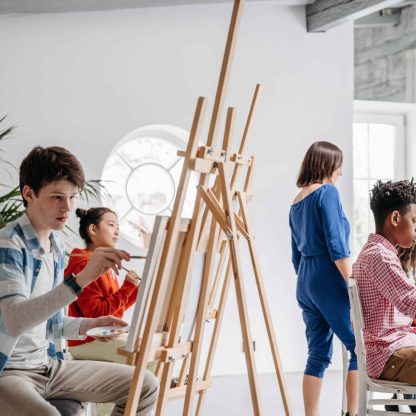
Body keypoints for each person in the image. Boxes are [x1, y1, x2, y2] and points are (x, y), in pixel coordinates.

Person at [0, 146, 158, 415]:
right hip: (10, 372)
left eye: (72, 197)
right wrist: (81, 279)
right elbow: (14, 320)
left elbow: (52, 324)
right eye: (57, 197)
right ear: (29, 193)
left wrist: (90, 324)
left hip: (51, 365)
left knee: (146, 385)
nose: (68, 207)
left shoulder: (56, 246)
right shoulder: (9, 245)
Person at [289, 141, 358, 416]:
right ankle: (352, 413)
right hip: (328, 276)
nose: (341, 171)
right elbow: (336, 244)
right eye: (338, 164)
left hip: (305, 280)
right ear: (328, 164)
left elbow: (295, 254)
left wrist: (310, 283)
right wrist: (351, 283)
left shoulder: (297, 201)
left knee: (317, 355)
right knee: (359, 348)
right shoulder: (327, 192)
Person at [353, 179, 416, 393]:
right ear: (396, 218)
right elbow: (410, 302)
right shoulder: (379, 256)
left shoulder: (377, 252)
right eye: (414, 221)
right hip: (387, 353)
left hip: (392, 346)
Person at [65, 207, 139, 364]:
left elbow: (115, 308)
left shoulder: (105, 264)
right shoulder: (85, 265)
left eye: (118, 227)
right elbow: (96, 314)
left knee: (150, 348)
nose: (117, 232)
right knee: (144, 355)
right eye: (112, 225)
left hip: (103, 335)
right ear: (93, 229)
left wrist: (135, 290)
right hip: (86, 340)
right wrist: (127, 288)